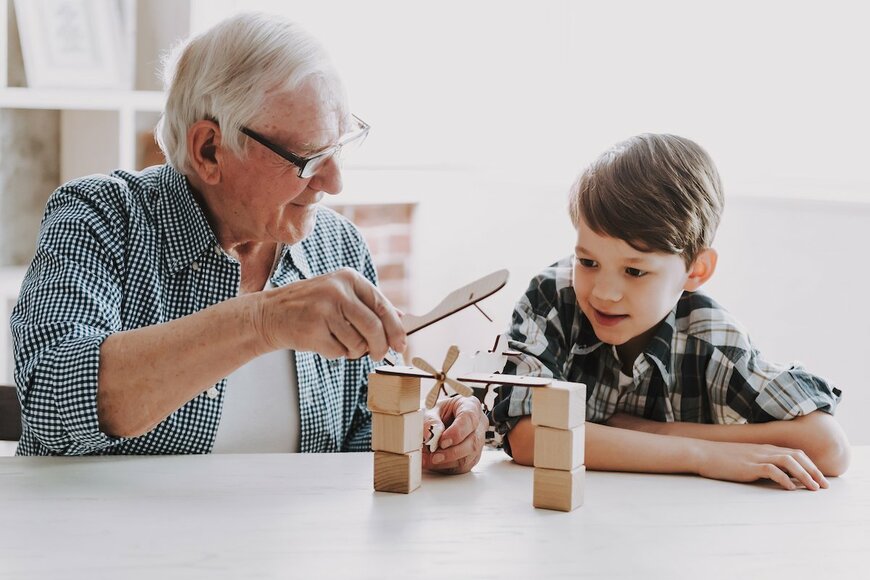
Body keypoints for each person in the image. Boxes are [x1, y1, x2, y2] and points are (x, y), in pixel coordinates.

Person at [10, 12, 485, 472]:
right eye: (309, 157)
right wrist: (264, 319)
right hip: (105, 546)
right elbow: (51, 399)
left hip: (286, 552)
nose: (335, 183)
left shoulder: (338, 247)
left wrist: (422, 436)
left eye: (338, 147)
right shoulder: (100, 217)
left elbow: (355, 432)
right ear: (209, 150)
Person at [490, 133, 850, 490]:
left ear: (696, 270)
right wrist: (699, 454)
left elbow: (829, 447)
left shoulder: (710, 337)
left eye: (634, 271)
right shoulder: (553, 298)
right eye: (587, 261)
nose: (604, 292)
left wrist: (655, 431)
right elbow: (528, 436)